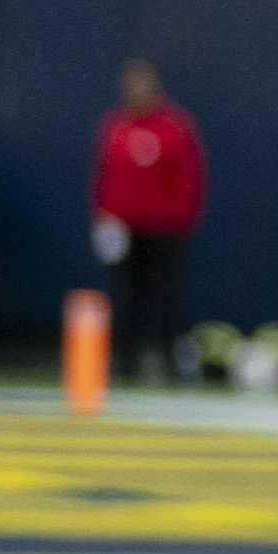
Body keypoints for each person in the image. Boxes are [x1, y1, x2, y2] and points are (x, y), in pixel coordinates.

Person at [89, 56, 207, 384]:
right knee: (128, 297)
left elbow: (189, 176)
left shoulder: (173, 127)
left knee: (165, 298)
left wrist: (180, 220)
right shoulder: (116, 126)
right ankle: (126, 363)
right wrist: (103, 218)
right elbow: (105, 176)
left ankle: (169, 362)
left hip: (163, 229)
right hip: (125, 229)